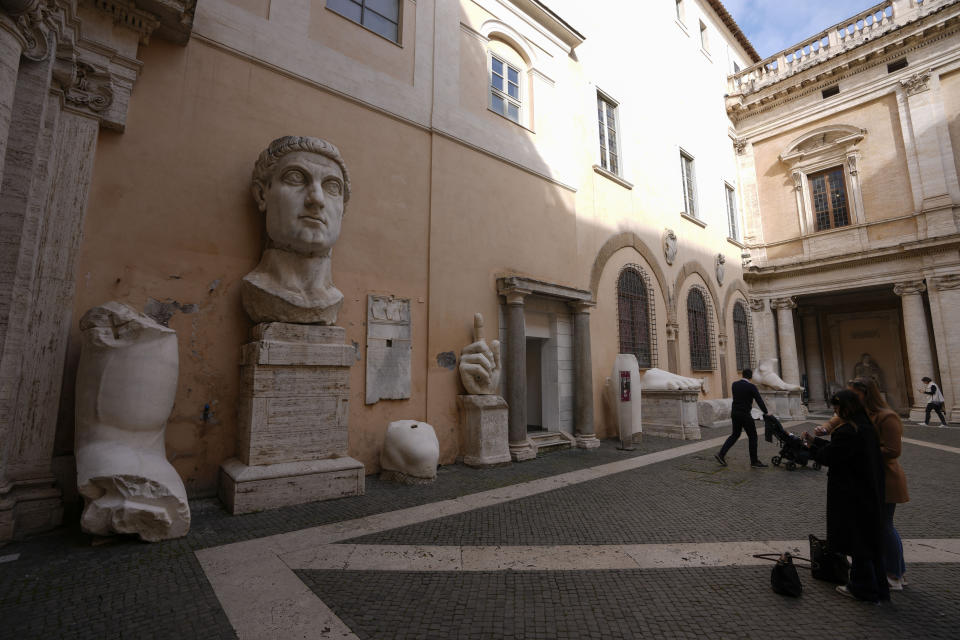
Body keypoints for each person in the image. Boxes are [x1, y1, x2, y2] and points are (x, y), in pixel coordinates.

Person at [804, 390, 889, 603]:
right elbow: (840, 450)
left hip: (850, 493)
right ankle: (877, 586)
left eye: (837, 407)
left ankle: (862, 587)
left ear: (846, 408)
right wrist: (816, 443)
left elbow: (832, 456)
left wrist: (811, 447)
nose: (835, 411)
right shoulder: (866, 426)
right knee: (868, 541)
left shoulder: (848, 431)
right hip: (868, 491)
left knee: (857, 541)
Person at [848, 377, 909, 590]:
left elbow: (893, 451)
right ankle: (898, 571)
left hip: (886, 478)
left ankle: (893, 575)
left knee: (884, 526)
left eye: (855, 394)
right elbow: (837, 420)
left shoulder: (887, 417)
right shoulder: (862, 414)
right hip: (871, 477)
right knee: (883, 525)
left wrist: (862, 448)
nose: (852, 399)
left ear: (866, 394)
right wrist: (824, 429)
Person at [715, 368, 770, 468]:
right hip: (745, 414)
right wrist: (766, 412)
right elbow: (759, 400)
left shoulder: (734, 385)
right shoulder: (751, 387)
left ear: (742, 375)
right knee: (753, 436)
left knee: (735, 434)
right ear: (751, 377)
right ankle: (754, 461)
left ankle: (721, 454)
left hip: (735, 413)